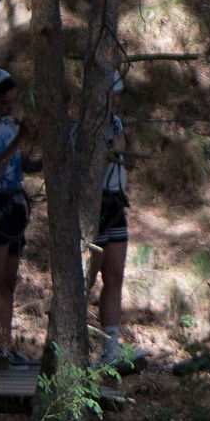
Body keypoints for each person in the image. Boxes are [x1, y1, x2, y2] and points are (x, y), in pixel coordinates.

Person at [0, 64, 36, 366]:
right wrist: (19, 138)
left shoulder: (12, 125)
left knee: (9, 281)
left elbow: (24, 164)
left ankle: (4, 344)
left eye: (12, 102)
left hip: (17, 204)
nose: (9, 107)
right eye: (4, 102)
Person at [82, 75, 132, 369]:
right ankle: (75, 345)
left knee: (114, 276)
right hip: (95, 202)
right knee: (87, 277)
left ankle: (110, 346)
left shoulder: (117, 124)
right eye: (112, 95)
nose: (116, 101)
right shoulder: (87, 127)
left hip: (115, 200)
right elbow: (93, 163)